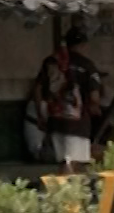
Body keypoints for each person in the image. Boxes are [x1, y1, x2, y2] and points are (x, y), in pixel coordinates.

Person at [30, 27, 103, 169]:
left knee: (63, 162)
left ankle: (62, 188)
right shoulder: (87, 65)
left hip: (55, 122)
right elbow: (95, 98)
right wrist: (95, 109)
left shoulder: (50, 62)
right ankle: (69, 190)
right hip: (77, 125)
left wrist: (41, 115)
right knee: (75, 164)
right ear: (83, 45)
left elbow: (37, 90)